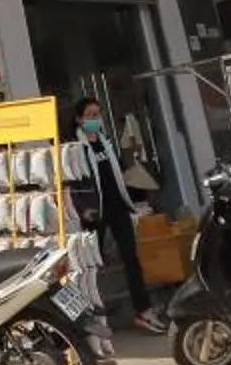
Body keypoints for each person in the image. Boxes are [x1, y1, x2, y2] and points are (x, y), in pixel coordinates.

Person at [68, 96, 163, 334]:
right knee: (88, 266)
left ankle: (144, 312)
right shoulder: (75, 149)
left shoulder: (105, 142)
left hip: (117, 208)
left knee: (131, 259)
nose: (95, 120)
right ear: (79, 119)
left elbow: (118, 175)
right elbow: (72, 183)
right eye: (90, 115)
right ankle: (83, 315)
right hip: (94, 213)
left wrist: (134, 202)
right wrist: (83, 209)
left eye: (97, 115)